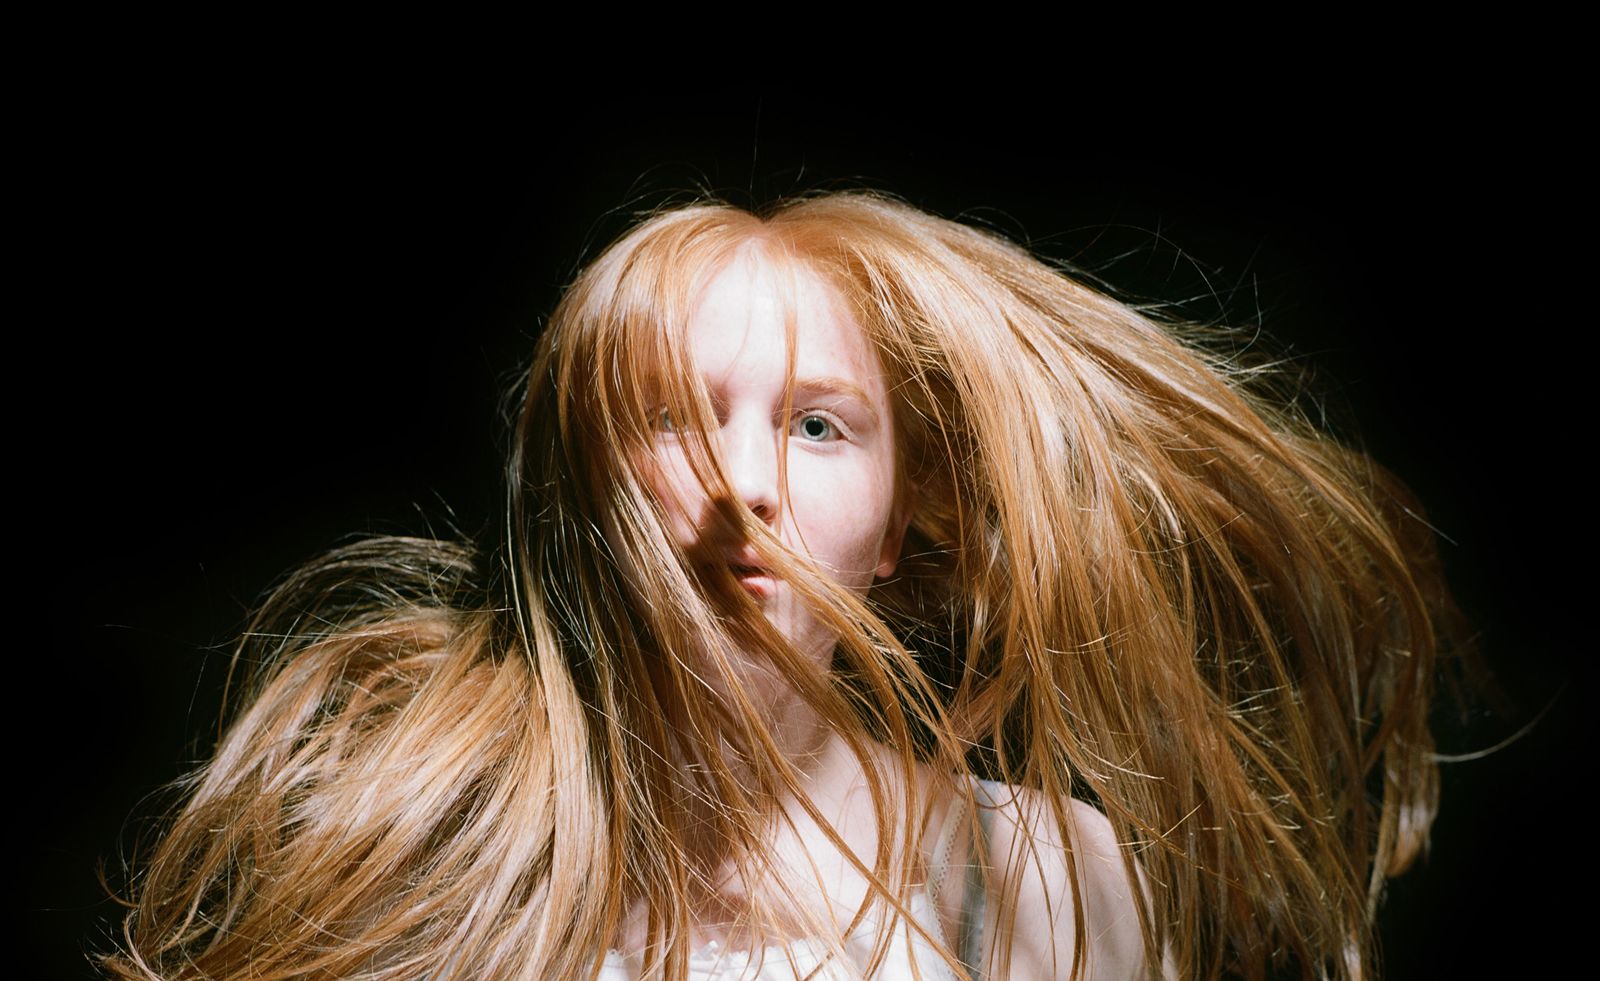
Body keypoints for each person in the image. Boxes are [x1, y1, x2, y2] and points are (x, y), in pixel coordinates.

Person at [102, 191, 1461, 979]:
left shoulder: (1043, 875)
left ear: (900, 521)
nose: (745, 481)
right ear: (583, 490)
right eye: (674, 415)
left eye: (819, 425)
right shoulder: (412, 840)